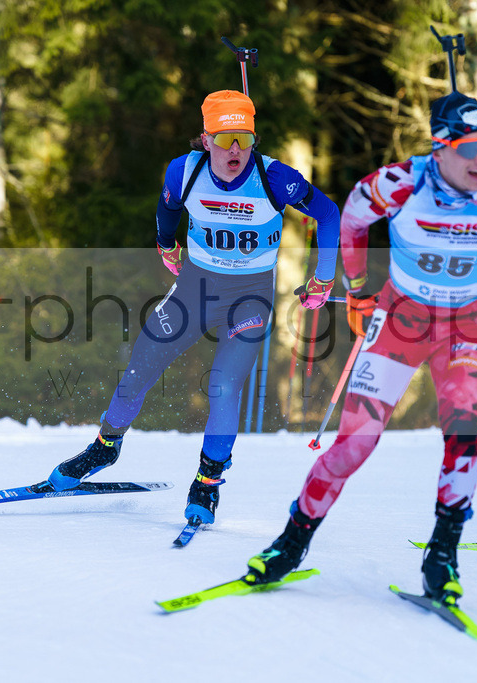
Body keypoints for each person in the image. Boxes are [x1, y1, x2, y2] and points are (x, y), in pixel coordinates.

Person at [243, 91, 477, 603]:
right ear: (440, 148)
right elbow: (350, 218)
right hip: (400, 320)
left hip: (468, 327)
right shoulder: (401, 183)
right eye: (469, 148)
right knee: (355, 442)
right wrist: (358, 290)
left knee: (462, 435)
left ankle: (442, 557)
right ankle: (290, 543)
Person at [46, 90, 340, 526]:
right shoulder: (184, 171)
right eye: (224, 140)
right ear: (205, 140)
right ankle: (105, 448)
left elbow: (329, 213)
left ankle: (206, 483)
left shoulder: (276, 178)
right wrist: (167, 245)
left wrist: (324, 277)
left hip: (250, 297)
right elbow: (167, 207)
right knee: (141, 365)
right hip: (196, 288)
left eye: (243, 137)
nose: (235, 150)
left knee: (223, 385)